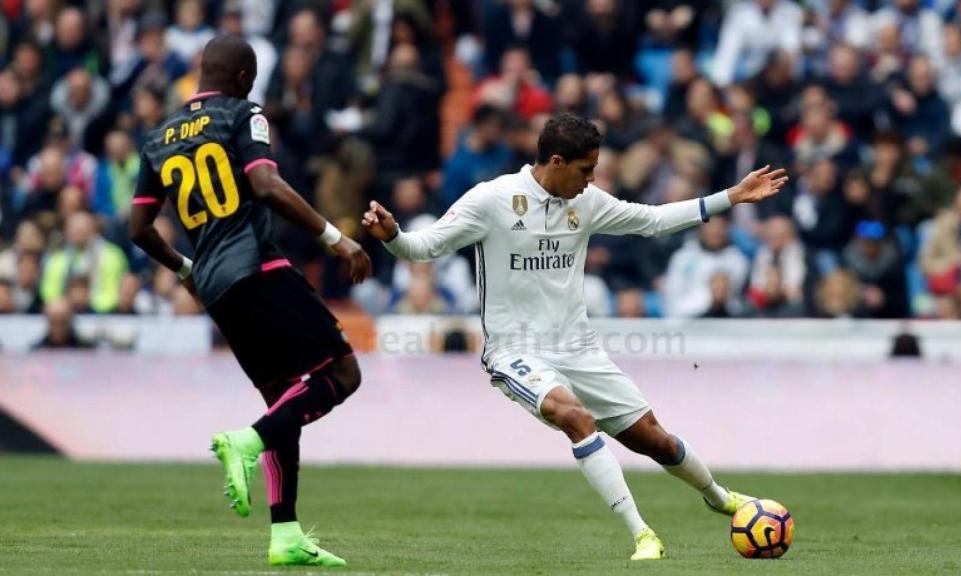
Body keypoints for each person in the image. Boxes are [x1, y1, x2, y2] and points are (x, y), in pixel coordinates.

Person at [362, 113, 788, 561]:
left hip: (579, 349)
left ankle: (720, 498)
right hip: (515, 351)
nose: (591, 180)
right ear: (557, 161)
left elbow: (654, 220)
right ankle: (642, 534)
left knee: (655, 440)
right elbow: (422, 248)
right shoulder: (493, 200)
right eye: (586, 170)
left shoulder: (585, 203)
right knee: (576, 418)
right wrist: (392, 236)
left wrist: (730, 197)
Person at [129, 36, 371, 568]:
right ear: (243, 79)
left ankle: (284, 534)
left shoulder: (159, 136)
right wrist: (336, 237)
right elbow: (265, 184)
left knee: (285, 399)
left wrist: (186, 269)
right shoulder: (244, 113)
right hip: (258, 268)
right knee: (344, 373)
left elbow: (140, 228)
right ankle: (247, 441)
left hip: (215, 287)